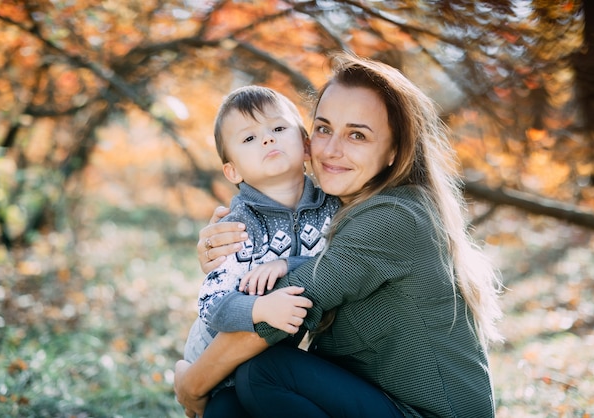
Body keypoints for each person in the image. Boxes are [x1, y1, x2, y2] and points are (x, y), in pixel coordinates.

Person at [176, 52, 503, 418]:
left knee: (264, 372)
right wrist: (228, 251)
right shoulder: (335, 205)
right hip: (378, 400)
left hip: (426, 414)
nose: (331, 150)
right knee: (229, 405)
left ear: (395, 150)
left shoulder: (393, 217)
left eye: (357, 135)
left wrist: (191, 386)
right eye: (324, 128)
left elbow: (288, 306)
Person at [183, 85, 341, 417]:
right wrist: (260, 308)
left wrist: (289, 262)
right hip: (217, 355)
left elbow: (338, 259)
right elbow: (212, 304)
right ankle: (185, 373)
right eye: (249, 139)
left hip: (274, 359)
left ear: (306, 144)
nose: (268, 139)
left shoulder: (332, 207)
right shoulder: (238, 227)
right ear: (233, 171)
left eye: (279, 128)